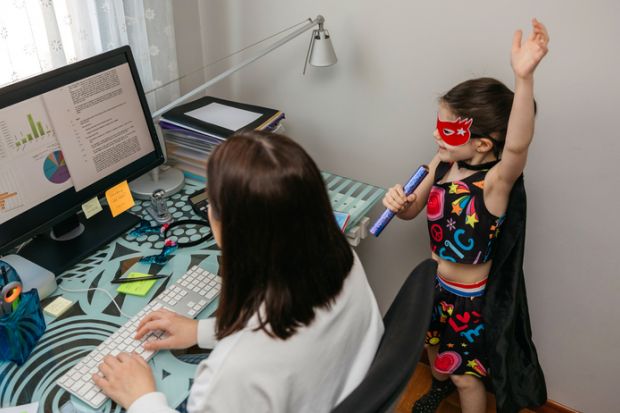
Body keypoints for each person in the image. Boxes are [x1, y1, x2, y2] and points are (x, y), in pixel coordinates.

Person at [92, 131, 384, 412]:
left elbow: (256, 355)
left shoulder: (234, 371)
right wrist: (201, 331)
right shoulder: (341, 261)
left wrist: (142, 399)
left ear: (228, 230)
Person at [381, 19, 549, 413]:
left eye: (451, 131)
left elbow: (519, 144)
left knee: (465, 375)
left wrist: (523, 79)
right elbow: (413, 210)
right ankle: (439, 390)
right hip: (435, 287)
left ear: (483, 144)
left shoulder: (494, 184)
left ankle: (458, 395)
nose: (439, 136)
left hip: (469, 300)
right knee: (435, 351)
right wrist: (400, 205)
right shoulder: (440, 162)